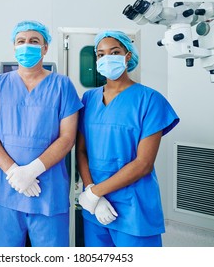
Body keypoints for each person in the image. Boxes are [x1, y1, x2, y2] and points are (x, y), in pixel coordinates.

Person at [0, 20, 83, 247]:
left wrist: (32, 170)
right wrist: (13, 170)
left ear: (45, 48)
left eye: (34, 41)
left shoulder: (62, 85)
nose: (26, 46)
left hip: (47, 189)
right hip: (5, 188)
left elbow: (68, 137)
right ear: (14, 47)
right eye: (21, 41)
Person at [77, 30, 180, 247]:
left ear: (127, 56)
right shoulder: (88, 99)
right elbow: (82, 151)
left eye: (114, 52)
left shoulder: (150, 100)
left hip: (134, 205)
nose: (107, 58)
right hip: (95, 205)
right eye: (101, 54)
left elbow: (144, 164)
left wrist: (95, 193)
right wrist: (90, 191)